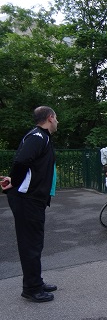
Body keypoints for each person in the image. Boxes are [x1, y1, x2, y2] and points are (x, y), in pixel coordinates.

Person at [0, 106, 59, 303]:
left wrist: (13, 179)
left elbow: (28, 166)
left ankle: (36, 281)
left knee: (35, 243)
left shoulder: (42, 137)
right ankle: (31, 289)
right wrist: (15, 182)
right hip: (28, 200)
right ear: (50, 118)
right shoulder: (37, 137)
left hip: (34, 199)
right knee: (31, 245)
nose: (57, 122)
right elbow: (21, 161)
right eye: (56, 118)